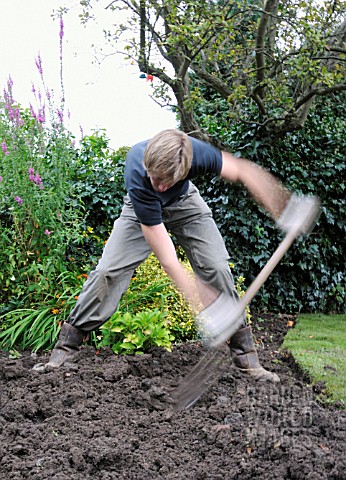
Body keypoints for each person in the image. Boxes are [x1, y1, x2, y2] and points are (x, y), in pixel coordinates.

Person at [34, 129, 294, 381]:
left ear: (185, 169)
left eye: (166, 181)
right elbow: (169, 261)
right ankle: (67, 348)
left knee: (216, 267)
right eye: (155, 178)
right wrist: (199, 302)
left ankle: (245, 356)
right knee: (107, 272)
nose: (159, 186)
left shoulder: (197, 155)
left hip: (185, 202)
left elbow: (243, 170)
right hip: (140, 212)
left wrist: (284, 208)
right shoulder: (138, 173)